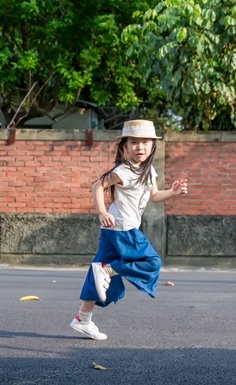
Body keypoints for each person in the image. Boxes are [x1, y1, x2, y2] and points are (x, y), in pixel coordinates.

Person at [70, 119, 188, 340]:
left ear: (153, 145)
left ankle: (83, 319)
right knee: (151, 262)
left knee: (97, 276)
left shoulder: (147, 170)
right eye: (134, 142)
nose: (140, 147)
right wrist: (102, 212)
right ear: (124, 146)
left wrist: (172, 192)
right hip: (123, 229)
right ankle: (108, 270)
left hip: (113, 230)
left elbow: (154, 196)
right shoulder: (125, 170)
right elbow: (98, 185)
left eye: (145, 142)